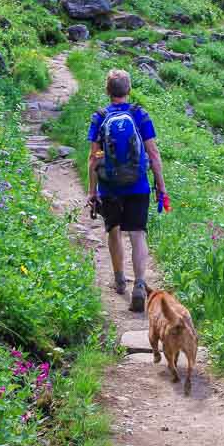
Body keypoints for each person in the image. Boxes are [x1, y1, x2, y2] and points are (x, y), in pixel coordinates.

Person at [87, 69, 167, 312]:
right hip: (138, 184)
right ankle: (140, 284)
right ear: (128, 90)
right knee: (138, 234)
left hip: (109, 185)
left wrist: (92, 192)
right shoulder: (140, 115)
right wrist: (161, 187)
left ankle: (120, 278)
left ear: (107, 91)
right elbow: (153, 153)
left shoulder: (99, 117)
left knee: (114, 231)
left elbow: (94, 157)